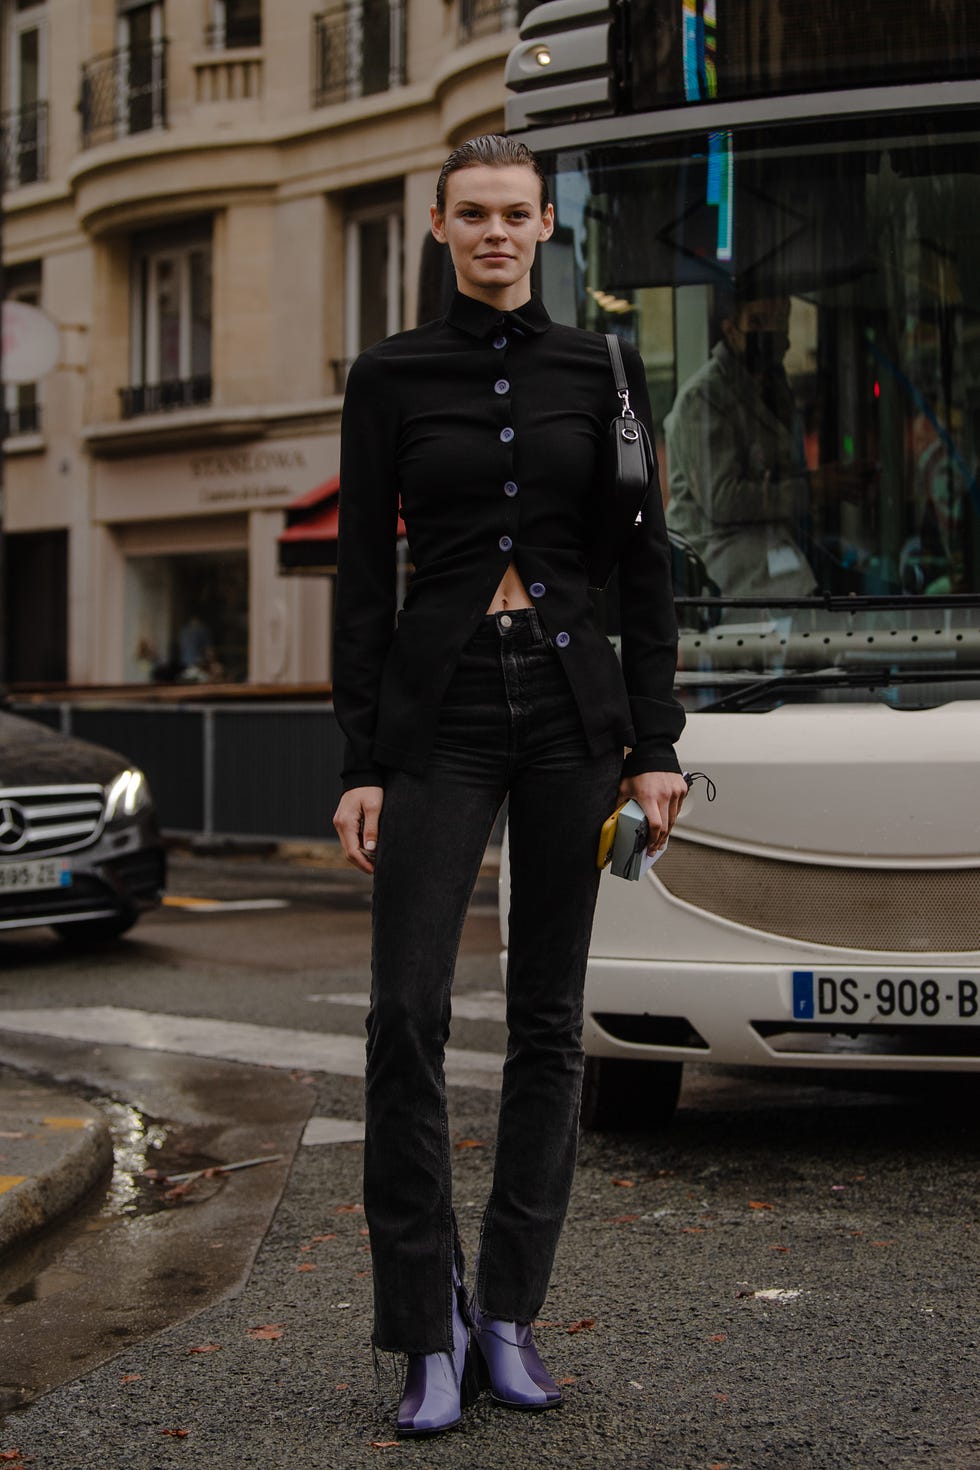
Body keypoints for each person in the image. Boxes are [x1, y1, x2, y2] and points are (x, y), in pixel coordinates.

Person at [331, 135, 687, 1438]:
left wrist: (656, 743)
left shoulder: (601, 368)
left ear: (545, 226)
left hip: (573, 712)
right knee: (403, 1013)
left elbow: (644, 570)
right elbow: (366, 576)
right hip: (440, 715)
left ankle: (509, 1317)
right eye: (469, 213)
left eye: (513, 214)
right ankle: (424, 1324)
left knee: (549, 1022)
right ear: (438, 225)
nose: (493, 232)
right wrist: (357, 761)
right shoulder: (385, 379)